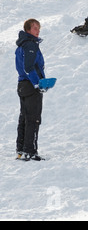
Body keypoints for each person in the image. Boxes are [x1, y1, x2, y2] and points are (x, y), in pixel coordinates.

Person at [15, 19, 48, 161]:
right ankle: (30, 151)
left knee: (24, 117)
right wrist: (38, 83)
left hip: (22, 85)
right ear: (28, 30)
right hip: (30, 86)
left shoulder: (22, 44)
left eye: (39, 28)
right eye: (35, 28)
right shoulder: (30, 45)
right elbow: (28, 68)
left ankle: (21, 150)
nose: (37, 30)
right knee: (33, 119)